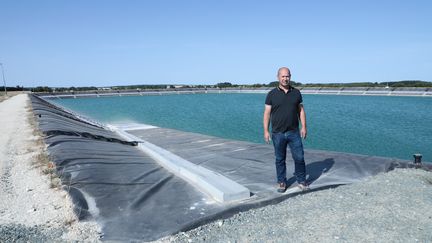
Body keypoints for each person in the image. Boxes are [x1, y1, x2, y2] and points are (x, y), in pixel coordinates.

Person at [263, 67, 309, 193]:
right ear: (278, 77)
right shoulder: (271, 94)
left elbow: (301, 111)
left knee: (299, 158)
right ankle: (282, 181)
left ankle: (301, 180)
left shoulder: (296, 93)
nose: (285, 78)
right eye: (283, 76)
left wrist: (304, 127)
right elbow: (267, 113)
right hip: (277, 133)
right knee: (279, 159)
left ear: (290, 76)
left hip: (294, 132)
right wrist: (266, 131)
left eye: (287, 76)